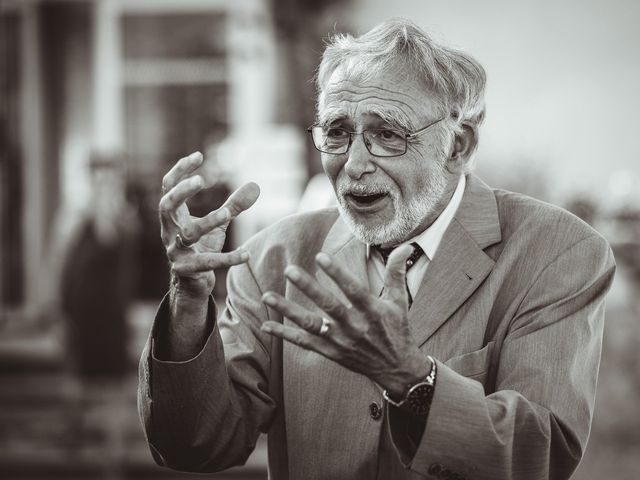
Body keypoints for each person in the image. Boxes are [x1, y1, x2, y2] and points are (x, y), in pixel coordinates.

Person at [138, 19, 616, 480]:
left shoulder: (558, 252)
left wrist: (414, 380)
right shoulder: (274, 258)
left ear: (458, 146)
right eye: (338, 132)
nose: (355, 163)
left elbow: (538, 456)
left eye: (387, 134)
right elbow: (196, 444)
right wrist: (189, 299)